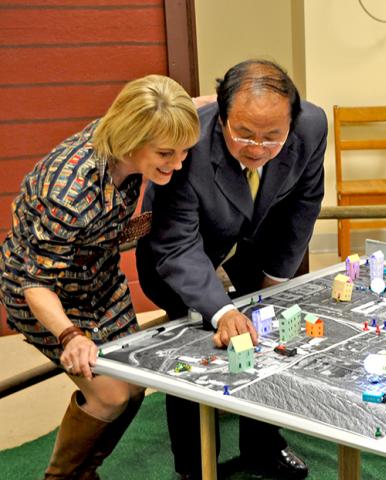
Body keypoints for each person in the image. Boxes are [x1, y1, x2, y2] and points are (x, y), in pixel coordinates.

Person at [0, 74, 200, 479]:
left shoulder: (135, 133)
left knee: (135, 378)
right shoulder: (70, 192)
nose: (177, 163)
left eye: (183, 151)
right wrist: (70, 336)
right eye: (166, 153)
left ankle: (86, 470)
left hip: (99, 277)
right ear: (132, 138)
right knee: (109, 395)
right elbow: (37, 282)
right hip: (43, 292)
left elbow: (175, 106)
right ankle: (61, 477)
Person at [137, 59, 328, 479]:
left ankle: (264, 446)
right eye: (243, 133)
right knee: (193, 343)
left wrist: (274, 283)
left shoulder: (312, 126)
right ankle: (193, 466)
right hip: (182, 255)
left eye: (271, 137)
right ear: (222, 116)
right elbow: (177, 243)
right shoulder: (191, 141)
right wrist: (221, 311)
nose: (256, 148)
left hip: (250, 246)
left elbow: (303, 206)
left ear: (292, 123)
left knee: (266, 330)